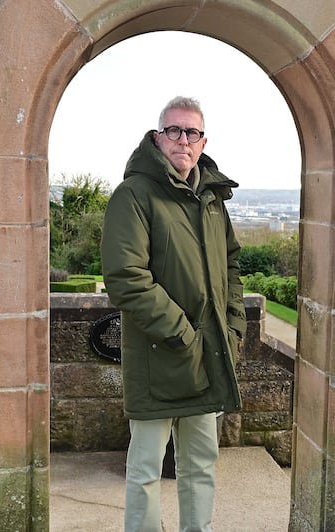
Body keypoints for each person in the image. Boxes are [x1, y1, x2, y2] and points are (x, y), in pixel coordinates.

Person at [101, 96, 247, 531]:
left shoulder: (213, 201)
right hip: (158, 358)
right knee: (146, 470)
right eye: (174, 131)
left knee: (200, 465)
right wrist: (184, 334)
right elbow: (126, 277)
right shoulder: (133, 195)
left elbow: (232, 267)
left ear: (204, 142)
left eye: (192, 132)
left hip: (207, 358)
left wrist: (234, 328)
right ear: (158, 136)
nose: (183, 140)